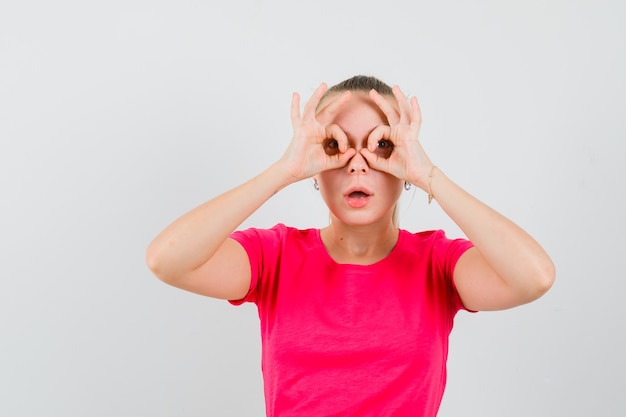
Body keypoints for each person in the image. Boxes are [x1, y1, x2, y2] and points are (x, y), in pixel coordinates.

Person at [145, 75, 555, 417]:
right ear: (314, 167)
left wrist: (428, 173)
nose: (358, 163)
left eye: (381, 146)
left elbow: (533, 278)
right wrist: (282, 171)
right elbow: (168, 260)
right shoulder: (275, 257)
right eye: (335, 146)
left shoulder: (438, 264)